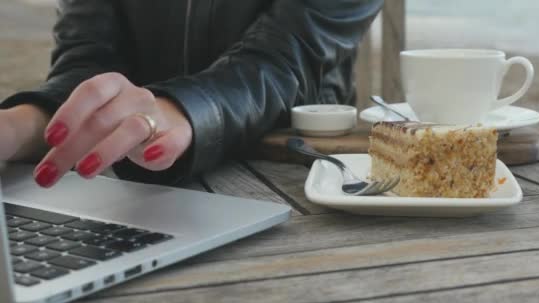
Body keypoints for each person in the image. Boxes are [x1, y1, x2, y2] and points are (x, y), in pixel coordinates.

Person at [0, 0, 383, 187]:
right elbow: (88, 59)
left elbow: (283, 60)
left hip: (293, 178)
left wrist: (181, 112)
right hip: (122, 183)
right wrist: (23, 125)